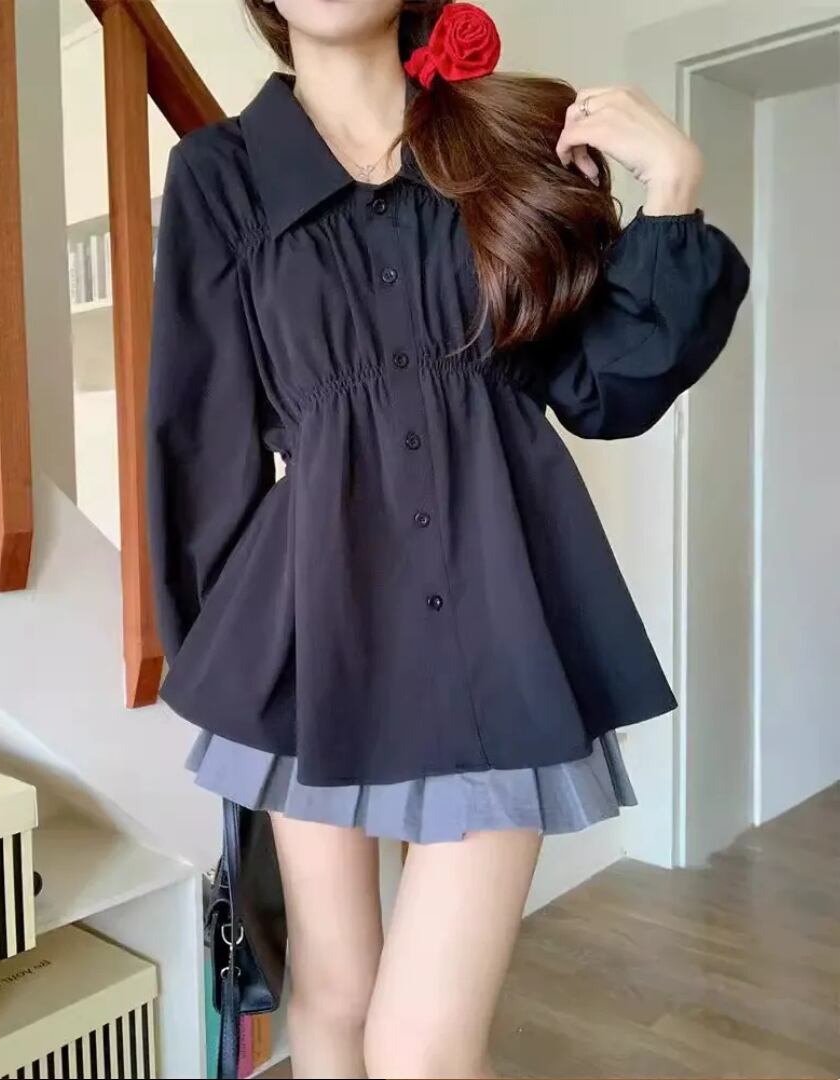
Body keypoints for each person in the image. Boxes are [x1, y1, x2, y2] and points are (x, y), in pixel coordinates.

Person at [145, 2, 750, 1077]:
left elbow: (599, 388)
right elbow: (200, 431)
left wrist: (673, 189)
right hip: (314, 623)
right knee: (332, 997)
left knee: (420, 1047)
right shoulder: (219, 176)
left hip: (499, 615)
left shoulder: (507, 145)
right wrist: (224, 663)